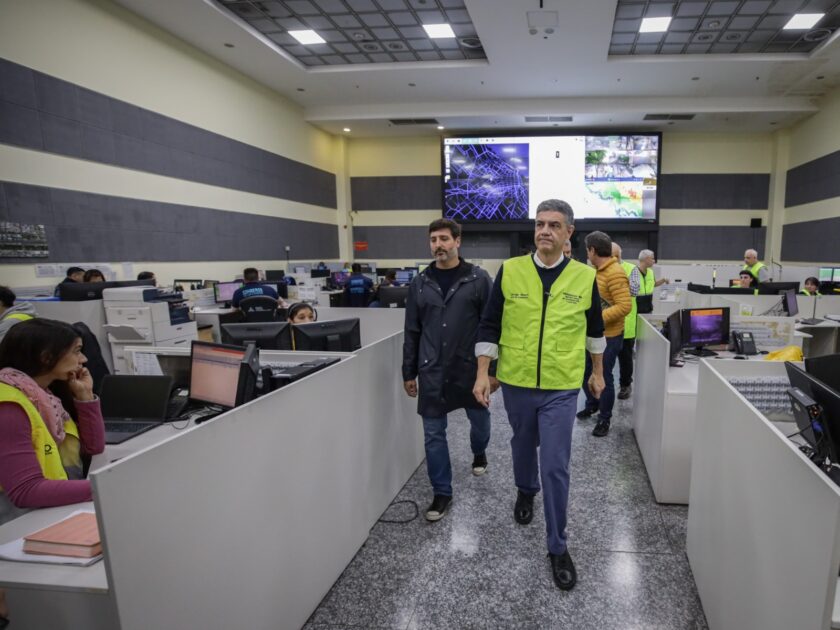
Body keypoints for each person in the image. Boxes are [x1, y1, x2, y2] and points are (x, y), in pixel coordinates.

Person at [473, 199, 606, 591]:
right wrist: (483, 374)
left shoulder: (584, 276)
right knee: (521, 445)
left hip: (561, 385)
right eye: (540, 224)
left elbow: (595, 330)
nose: (545, 230)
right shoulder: (511, 270)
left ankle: (558, 546)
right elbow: (489, 324)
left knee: (555, 464)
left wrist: (598, 373)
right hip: (516, 381)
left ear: (569, 233)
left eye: (554, 225)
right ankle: (525, 489)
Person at [403, 218, 493, 522]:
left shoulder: (478, 279)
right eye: (433, 240)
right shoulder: (420, 283)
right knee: (433, 434)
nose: (438, 245)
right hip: (432, 370)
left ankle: (479, 451)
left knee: (480, 424)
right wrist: (408, 372)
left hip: (470, 369)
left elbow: (492, 327)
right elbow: (412, 331)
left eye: (443, 239)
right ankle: (442, 491)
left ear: (457, 241)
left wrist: (492, 371)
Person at [577, 231, 632, 437]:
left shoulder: (615, 272)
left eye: (587, 250)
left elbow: (625, 306)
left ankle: (604, 418)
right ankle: (592, 404)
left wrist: (597, 318)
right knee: (586, 373)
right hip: (594, 335)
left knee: (604, 377)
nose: (587, 254)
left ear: (593, 250)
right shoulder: (597, 271)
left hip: (610, 336)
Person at [613, 243, 639, 401]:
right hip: (607, 324)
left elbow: (634, 290)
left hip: (626, 324)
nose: (615, 258)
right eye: (612, 256)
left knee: (625, 359)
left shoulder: (631, 268)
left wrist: (614, 282)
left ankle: (625, 385)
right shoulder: (599, 268)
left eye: (617, 255)